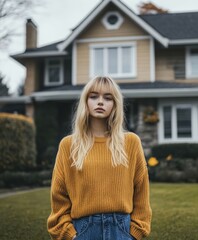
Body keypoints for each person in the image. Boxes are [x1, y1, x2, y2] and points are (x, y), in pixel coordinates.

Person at [47, 76, 152, 240]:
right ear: (85, 101)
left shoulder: (131, 142)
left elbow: (141, 190)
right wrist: (70, 235)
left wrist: (135, 232)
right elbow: (59, 195)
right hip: (83, 230)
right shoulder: (68, 145)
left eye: (108, 98)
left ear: (115, 104)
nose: (100, 102)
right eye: (94, 96)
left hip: (122, 230)